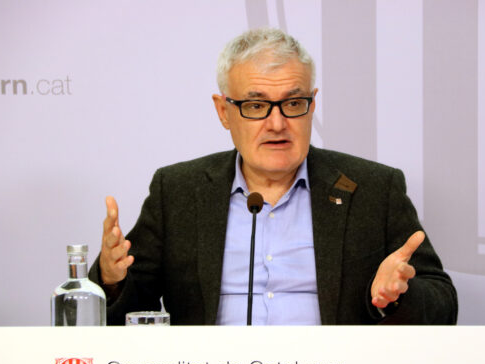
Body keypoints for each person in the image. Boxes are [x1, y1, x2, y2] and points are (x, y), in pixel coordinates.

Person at [88, 28, 457, 325]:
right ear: (224, 111)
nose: (277, 123)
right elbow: (125, 312)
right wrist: (110, 279)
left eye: (293, 103)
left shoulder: (372, 189)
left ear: (312, 104)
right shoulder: (178, 191)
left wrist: (398, 297)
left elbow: (443, 304)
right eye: (256, 105)